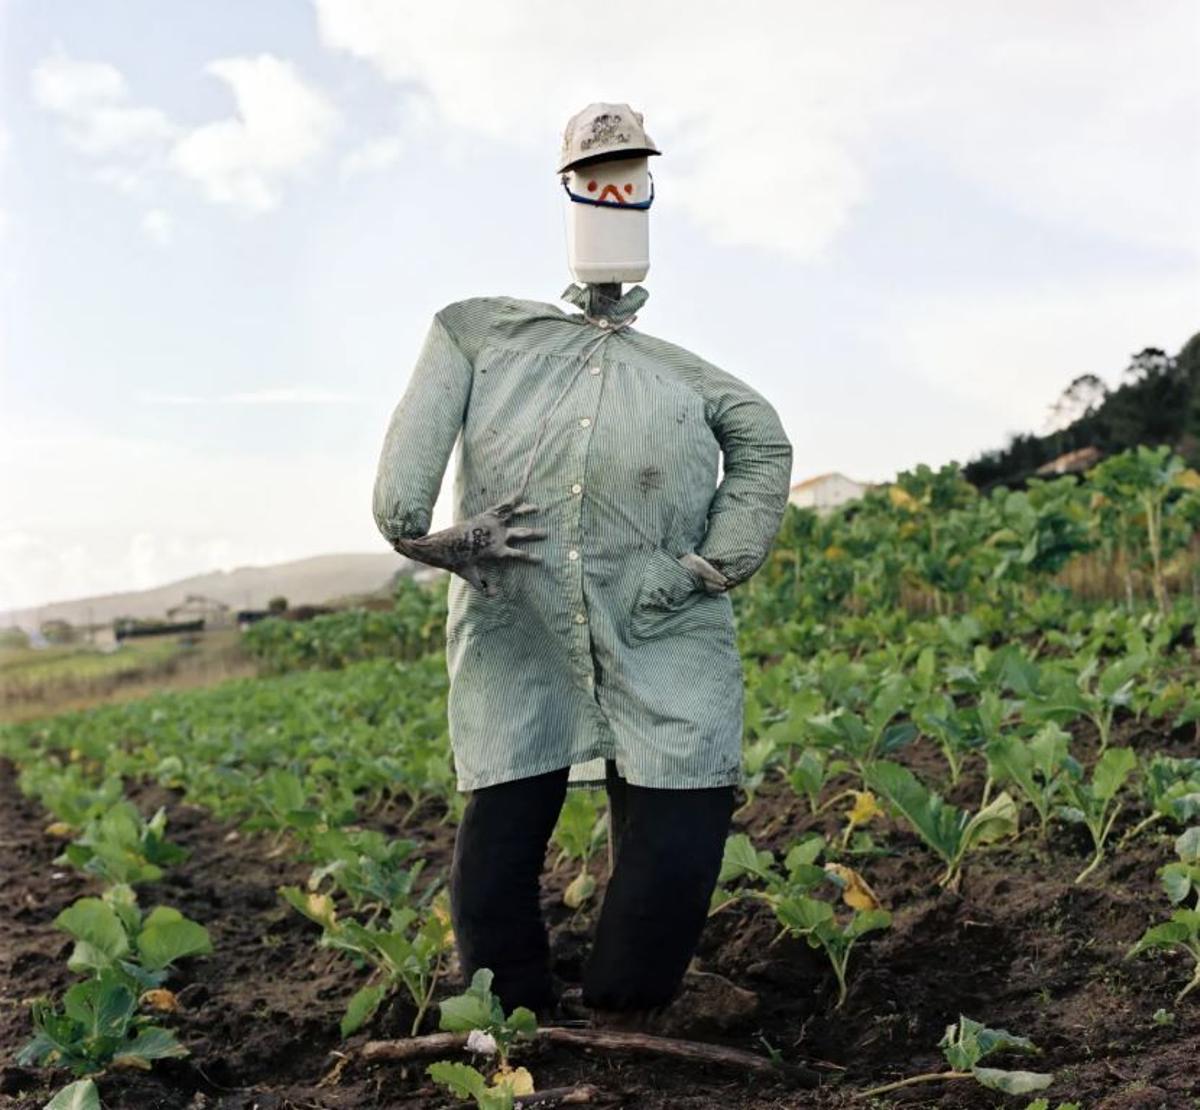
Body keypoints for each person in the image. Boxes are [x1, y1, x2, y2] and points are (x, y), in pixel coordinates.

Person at [372, 102, 793, 1029]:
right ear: (570, 188)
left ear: (648, 189)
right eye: (600, 177)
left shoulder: (684, 375)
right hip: (514, 622)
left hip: (661, 623)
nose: (615, 189)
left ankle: (622, 1014)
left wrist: (710, 566)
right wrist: (453, 544)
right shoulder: (479, 331)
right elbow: (400, 507)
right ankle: (512, 1014)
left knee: (679, 823)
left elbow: (763, 441)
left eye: (630, 177)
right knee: (501, 827)